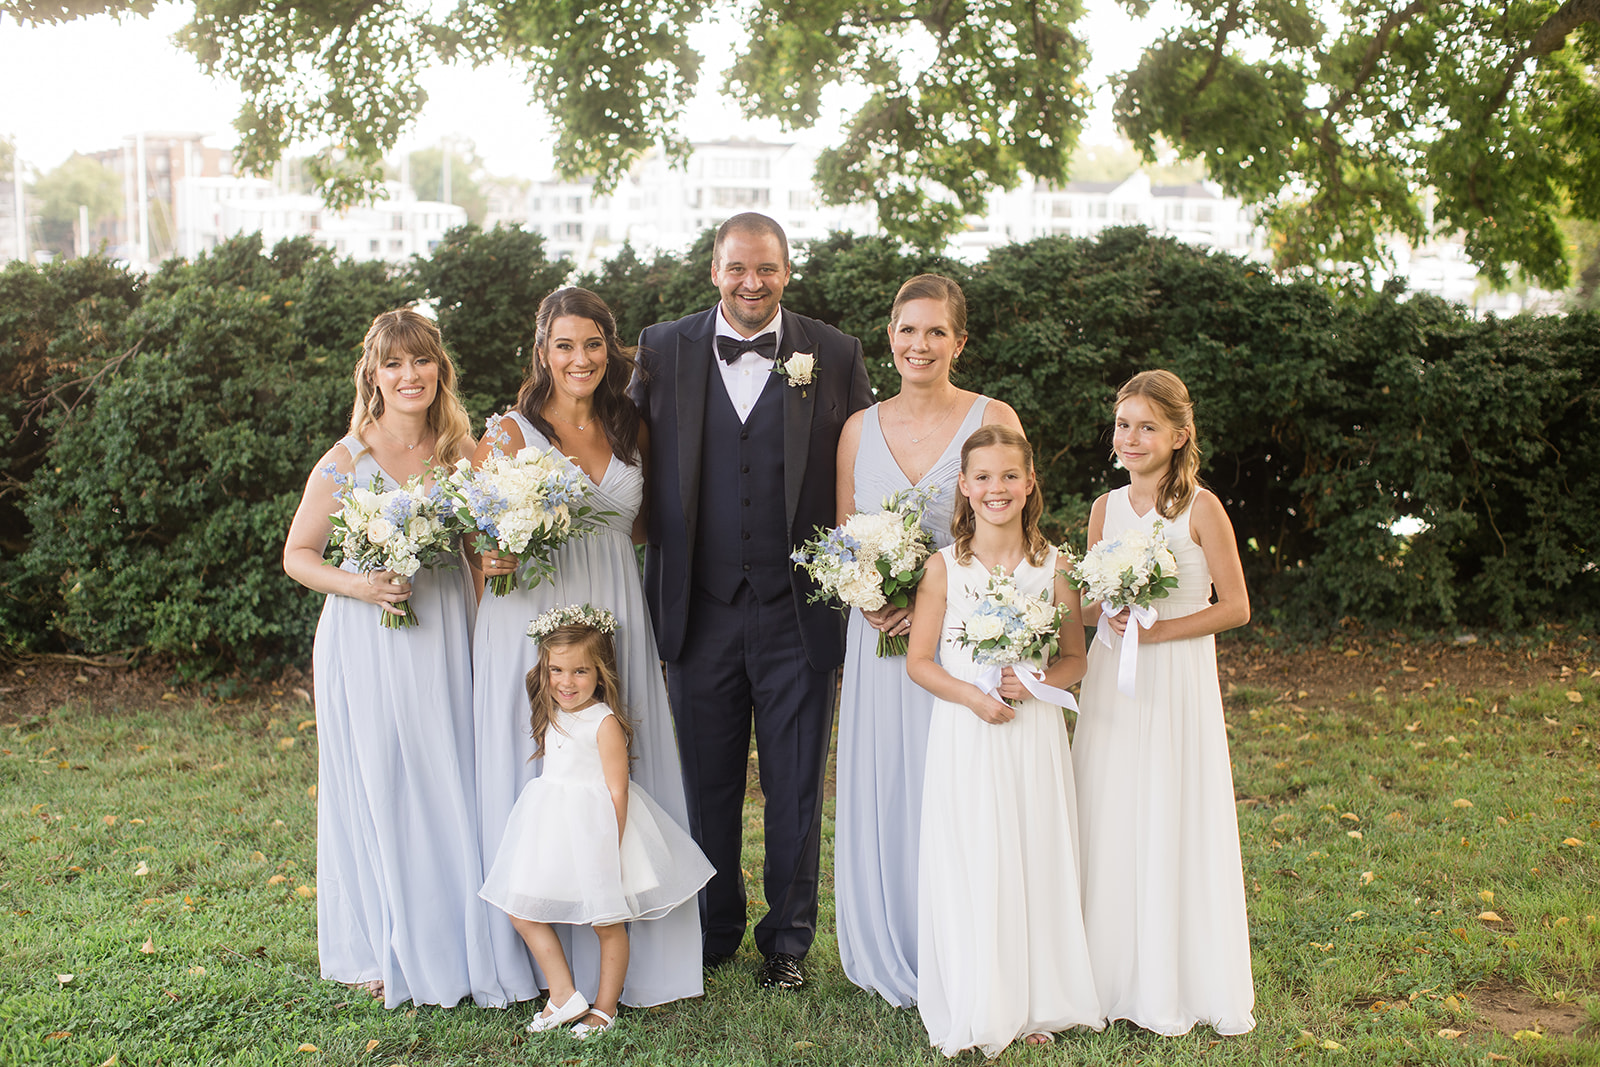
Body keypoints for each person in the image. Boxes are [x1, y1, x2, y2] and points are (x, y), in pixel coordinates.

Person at [630, 212, 872, 990]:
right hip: (697, 608)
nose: (752, 283)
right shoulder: (664, 348)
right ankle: (713, 926)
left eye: (766, 268)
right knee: (705, 780)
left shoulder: (834, 354)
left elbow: (863, 476)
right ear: (713, 270)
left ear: (787, 270)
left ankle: (788, 943)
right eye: (738, 268)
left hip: (796, 608)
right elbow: (616, 444)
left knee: (797, 780)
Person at [473, 287, 705, 1009]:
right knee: (542, 765)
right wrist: (493, 555)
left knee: (615, 760)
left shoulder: (630, 422)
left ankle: (633, 956)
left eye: (594, 344)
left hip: (615, 609)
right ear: (542, 351)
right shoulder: (510, 434)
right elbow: (479, 533)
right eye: (565, 345)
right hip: (534, 613)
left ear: (612, 349)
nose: (581, 358)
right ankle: (544, 963)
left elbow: (638, 523)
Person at [282, 307, 501, 1009]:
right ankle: (384, 941)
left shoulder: (462, 452)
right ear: (373, 376)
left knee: (452, 776)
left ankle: (462, 936)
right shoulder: (347, 459)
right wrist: (361, 582)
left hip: (445, 628)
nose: (411, 376)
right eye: (395, 364)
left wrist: (485, 628)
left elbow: (476, 552)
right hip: (366, 638)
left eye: (422, 361)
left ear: (440, 369)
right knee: (381, 781)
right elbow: (299, 555)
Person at [831, 274, 1022, 1007]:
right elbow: (844, 537)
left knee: (958, 787)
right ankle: (894, 936)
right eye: (908, 330)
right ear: (890, 336)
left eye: (936, 331)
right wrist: (872, 596)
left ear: (959, 342)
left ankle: (964, 942)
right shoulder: (857, 428)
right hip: (877, 641)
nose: (921, 344)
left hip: (960, 641)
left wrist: (935, 601)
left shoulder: (991, 416)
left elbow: (1009, 527)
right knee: (888, 785)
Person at [905, 424, 1102, 1057]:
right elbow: (920, 661)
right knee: (977, 852)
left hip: (1033, 733)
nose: (997, 488)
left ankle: (1039, 996)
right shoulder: (945, 568)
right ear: (963, 486)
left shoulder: (1056, 566)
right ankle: (980, 993)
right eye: (983, 477)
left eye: (1009, 476)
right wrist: (972, 696)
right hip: (968, 732)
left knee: (1033, 849)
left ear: (1030, 483)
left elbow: (1077, 659)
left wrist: (1038, 678)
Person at [1072, 369, 1256, 1035]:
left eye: (1148, 426)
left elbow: (1234, 606)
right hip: (1111, 676)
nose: (1132, 437)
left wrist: (1160, 630)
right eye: (1123, 424)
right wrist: (1097, 608)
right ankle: (1103, 970)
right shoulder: (1105, 508)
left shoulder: (1201, 508)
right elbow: (1091, 601)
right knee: (1110, 804)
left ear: (1180, 435)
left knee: (1169, 806)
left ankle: (1175, 973)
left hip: (1174, 674)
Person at [479, 608, 715, 1039]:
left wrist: (612, 843)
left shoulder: (604, 722)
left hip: (599, 833)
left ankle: (604, 1007)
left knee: (606, 921)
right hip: (550, 830)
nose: (566, 682)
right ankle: (564, 993)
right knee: (521, 909)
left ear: (600, 673)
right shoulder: (551, 713)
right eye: (556, 670)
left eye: (579, 671)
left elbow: (618, 791)